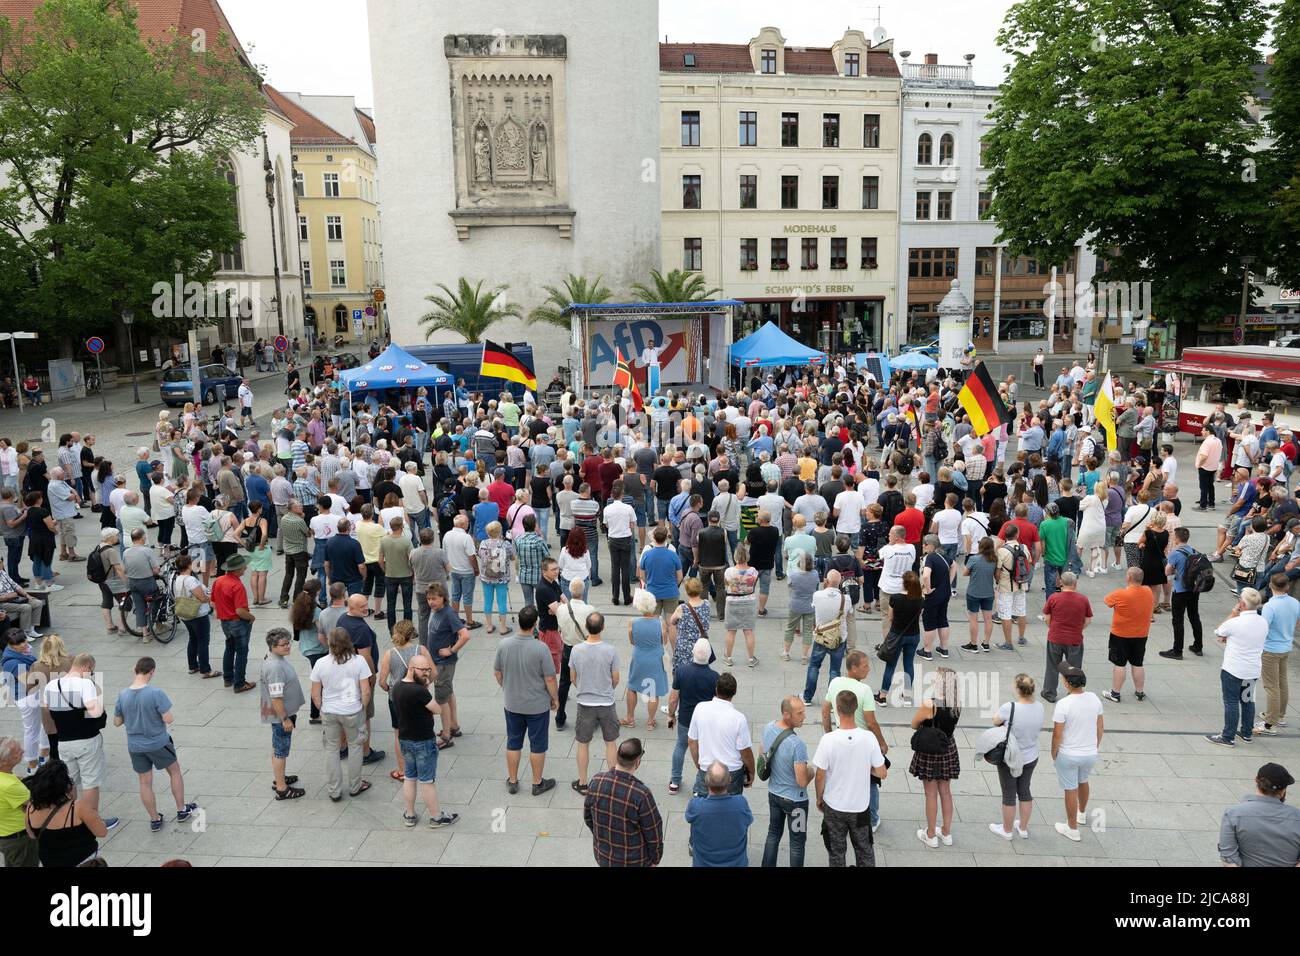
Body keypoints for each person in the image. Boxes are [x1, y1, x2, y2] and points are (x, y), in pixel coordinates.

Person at [113, 657, 197, 830]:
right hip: (158, 742)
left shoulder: (122, 695)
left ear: (134, 669)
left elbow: (117, 721)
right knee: (174, 772)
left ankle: (154, 819)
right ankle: (181, 810)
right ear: (152, 671)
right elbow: (169, 718)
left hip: (135, 745)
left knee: (145, 782)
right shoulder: (155, 693)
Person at [814, 688, 887, 866]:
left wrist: (819, 797)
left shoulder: (828, 740)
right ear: (856, 708)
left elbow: (820, 776)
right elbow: (882, 772)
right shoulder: (869, 738)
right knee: (864, 850)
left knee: (836, 853)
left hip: (834, 806)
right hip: (860, 807)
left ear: (837, 708)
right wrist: (865, 767)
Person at [43, 654, 116, 827]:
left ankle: (69, 819)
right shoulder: (85, 684)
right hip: (87, 740)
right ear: (87, 667)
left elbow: (47, 709)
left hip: (63, 741)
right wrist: (99, 705)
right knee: (90, 782)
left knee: (69, 781)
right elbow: (96, 713)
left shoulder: (52, 684)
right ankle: (91, 821)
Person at [495, 603, 559, 797]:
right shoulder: (541, 649)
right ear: (535, 624)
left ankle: (513, 781)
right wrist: (554, 698)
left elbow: (498, 673)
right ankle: (537, 783)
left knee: (513, 742)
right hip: (537, 705)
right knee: (537, 744)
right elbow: (549, 678)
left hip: (512, 703)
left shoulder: (504, 644)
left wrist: (507, 687)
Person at [391, 643, 458, 828]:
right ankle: (436, 817)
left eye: (428, 670)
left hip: (405, 739)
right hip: (423, 742)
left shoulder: (396, 687)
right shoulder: (420, 691)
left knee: (410, 778)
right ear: (411, 669)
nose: (427, 674)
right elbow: (436, 709)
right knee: (427, 781)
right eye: (423, 671)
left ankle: (410, 815)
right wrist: (426, 688)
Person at [310, 628, 373, 801]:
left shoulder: (320, 663)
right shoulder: (359, 661)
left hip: (330, 711)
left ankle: (334, 790)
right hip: (352, 709)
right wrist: (363, 707)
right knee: (355, 746)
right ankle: (355, 785)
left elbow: (315, 694)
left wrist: (322, 708)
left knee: (331, 749)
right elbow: (365, 690)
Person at [583, 737, 664, 867]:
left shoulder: (596, 781)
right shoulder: (641, 794)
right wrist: (655, 859)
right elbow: (653, 832)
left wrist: (602, 839)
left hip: (604, 856)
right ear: (638, 762)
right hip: (634, 861)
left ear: (617, 757)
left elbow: (588, 818)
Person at [1206, 588, 1268, 746]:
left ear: (1242, 603)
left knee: (1231, 702)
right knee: (1248, 700)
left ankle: (1228, 736)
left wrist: (1234, 613)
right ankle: (1247, 732)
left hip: (1233, 669)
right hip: (1252, 669)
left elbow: (1219, 630)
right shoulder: (1263, 622)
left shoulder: (1236, 622)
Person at [21, 759, 112, 867]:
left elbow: (31, 835)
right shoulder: (78, 807)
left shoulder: (31, 807)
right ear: (64, 785)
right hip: (83, 862)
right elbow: (102, 832)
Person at [569, 610, 620, 795]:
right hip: (606, 703)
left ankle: (583, 783)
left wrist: (583, 687)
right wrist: (607, 689)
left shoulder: (576, 650)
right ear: (603, 627)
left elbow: (572, 677)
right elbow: (616, 678)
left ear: (586, 627)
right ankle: (613, 783)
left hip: (585, 703)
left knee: (583, 743)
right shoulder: (610, 651)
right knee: (611, 742)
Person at [988, 674, 1045, 840]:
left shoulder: (1010, 707)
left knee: (1009, 794)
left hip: (1010, 757)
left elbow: (995, 721)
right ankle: (1023, 828)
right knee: (1025, 790)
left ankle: (1006, 830)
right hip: (1031, 755)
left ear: (1018, 690)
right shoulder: (1040, 707)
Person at [1051, 664, 1104, 842]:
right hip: (1089, 753)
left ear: (1067, 684)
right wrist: (1094, 747)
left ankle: (1072, 828)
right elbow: (1100, 728)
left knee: (1070, 789)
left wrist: (1054, 753)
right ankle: (1081, 813)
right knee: (1083, 781)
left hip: (1068, 754)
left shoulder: (1063, 704)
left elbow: (1057, 734)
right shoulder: (1094, 699)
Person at [760, 696, 813, 867]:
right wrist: (811, 771)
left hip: (774, 795)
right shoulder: (797, 745)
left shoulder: (768, 727)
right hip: (796, 802)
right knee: (797, 842)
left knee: (773, 834)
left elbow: (762, 752)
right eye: (799, 713)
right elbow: (802, 781)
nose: (804, 716)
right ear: (786, 714)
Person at [911, 667, 961, 848]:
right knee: (946, 792)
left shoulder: (929, 704)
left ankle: (931, 834)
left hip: (930, 752)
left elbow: (913, 724)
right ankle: (946, 833)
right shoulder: (957, 703)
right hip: (948, 749)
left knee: (930, 794)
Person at [1218, 763, 1300, 866]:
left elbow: (1229, 859)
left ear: (1256, 781)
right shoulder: (1297, 816)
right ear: (1283, 790)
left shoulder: (1233, 813)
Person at [687, 670, 753, 797]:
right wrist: (751, 771)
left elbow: (691, 741)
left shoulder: (700, 708)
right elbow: (745, 752)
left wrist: (698, 763)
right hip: (732, 772)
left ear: (716, 689)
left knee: (703, 805)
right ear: (734, 692)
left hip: (707, 769)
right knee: (731, 808)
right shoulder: (739, 718)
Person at [259, 629, 306, 800]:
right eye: (283, 645)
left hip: (282, 714)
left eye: (289, 643)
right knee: (281, 750)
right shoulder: (275, 667)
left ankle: (279, 778)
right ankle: (282, 788)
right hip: (281, 716)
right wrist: (285, 719)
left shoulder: (275, 659)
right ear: (272, 646)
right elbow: (276, 697)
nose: (287, 647)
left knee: (277, 747)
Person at [424, 582, 471, 747]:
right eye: (429, 599)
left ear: (443, 598)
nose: (431, 602)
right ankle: (453, 725)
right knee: (448, 693)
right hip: (437, 661)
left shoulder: (449, 613)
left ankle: (446, 736)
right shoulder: (436, 611)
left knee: (441, 698)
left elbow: (465, 635)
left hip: (444, 663)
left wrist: (451, 650)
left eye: (434, 599)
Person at [684, 761, 753, 867]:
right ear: (730, 779)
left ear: (706, 782)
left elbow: (689, 817)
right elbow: (748, 821)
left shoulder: (696, 807)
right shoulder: (740, 803)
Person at [1102, 567, 1154, 703]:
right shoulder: (1148, 591)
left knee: (1120, 664)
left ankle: (1115, 693)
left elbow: (1107, 601)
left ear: (1128, 578)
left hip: (1121, 634)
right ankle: (1140, 692)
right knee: (1138, 663)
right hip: (1141, 634)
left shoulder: (1121, 594)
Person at [1039, 571, 1092, 703]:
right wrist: (1079, 629)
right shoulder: (1083, 599)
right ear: (1075, 583)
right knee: (1074, 668)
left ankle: (1049, 692)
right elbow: (1088, 619)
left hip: (1055, 637)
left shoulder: (1054, 598)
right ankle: (1073, 693)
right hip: (1075, 639)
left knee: (1052, 666)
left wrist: (1052, 628)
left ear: (1061, 582)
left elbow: (1047, 617)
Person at [1257, 574, 1298, 736]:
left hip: (1271, 649)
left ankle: (1270, 724)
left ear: (1271, 586)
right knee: (1282, 682)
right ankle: (1280, 715)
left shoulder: (1270, 606)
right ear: (1287, 587)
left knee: (1271, 686)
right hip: (1286, 647)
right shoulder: (1295, 602)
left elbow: (1264, 628)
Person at [877, 570, 923, 707]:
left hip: (897, 635)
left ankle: (883, 696)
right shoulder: (921, 600)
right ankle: (907, 696)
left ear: (904, 583)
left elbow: (890, 617)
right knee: (908, 664)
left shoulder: (896, 598)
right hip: (914, 635)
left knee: (891, 665)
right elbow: (920, 616)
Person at [211, 554, 257, 693]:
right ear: (237, 569)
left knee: (229, 648)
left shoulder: (218, 580)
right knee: (242, 652)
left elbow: (213, 601)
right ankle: (239, 683)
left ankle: (228, 678)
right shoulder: (237, 585)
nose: (246, 568)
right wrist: (251, 617)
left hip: (225, 622)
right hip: (238, 622)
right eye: (243, 566)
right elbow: (240, 610)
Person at [623, 589, 668, 729]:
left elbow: (632, 641)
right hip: (655, 658)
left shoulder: (633, 622)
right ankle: (650, 721)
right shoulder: (661, 623)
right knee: (653, 692)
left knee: (632, 687)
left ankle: (630, 718)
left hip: (639, 657)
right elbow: (664, 641)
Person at [804, 569, 849, 704]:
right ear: (840, 582)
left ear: (826, 581)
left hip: (821, 637)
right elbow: (849, 613)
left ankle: (807, 697)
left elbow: (814, 607)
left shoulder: (817, 595)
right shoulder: (846, 599)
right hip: (839, 638)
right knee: (835, 670)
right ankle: (831, 701)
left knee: (814, 666)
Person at [0, 736, 38, 867]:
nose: (23, 751)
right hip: (20, 839)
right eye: (16, 751)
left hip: (5, 836)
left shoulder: (5, 777)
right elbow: (37, 804)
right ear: (3, 762)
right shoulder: (10, 786)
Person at [721, 543, 759, 667]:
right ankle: (751, 659)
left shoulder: (729, 571)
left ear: (735, 557)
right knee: (748, 631)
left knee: (731, 631)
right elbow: (753, 585)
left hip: (732, 601)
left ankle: (728, 657)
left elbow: (727, 585)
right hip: (749, 602)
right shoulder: (753, 571)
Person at [960, 536, 997, 653]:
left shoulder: (974, 559)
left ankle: (973, 644)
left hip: (973, 592)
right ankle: (986, 643)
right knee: (988, 619)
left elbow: (964, 573)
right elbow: (997, 576)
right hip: (988, 593)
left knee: (973, 619)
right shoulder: (994, 560)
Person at [918, 534, 952, 660]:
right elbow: (953, 565)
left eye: (925, 544)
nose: (923, 546)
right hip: (945, 593)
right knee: (942, 619)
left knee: (930, 621)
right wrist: (949, 581)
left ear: (931, 545)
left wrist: (928, 589)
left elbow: (926, 575)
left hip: (933, 595)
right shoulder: (944, 556)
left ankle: (927, 650)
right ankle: (944, 649)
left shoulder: (930, 557)